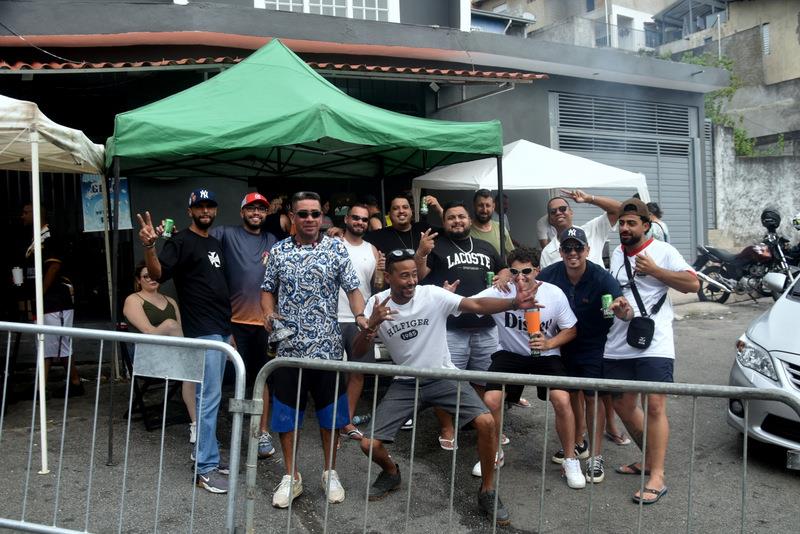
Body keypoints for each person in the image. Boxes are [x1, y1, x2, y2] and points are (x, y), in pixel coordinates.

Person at [352, 248, 542, 527]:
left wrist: (513, 303)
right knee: (369, 444)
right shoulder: (376, 304)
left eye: (414, 274)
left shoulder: (432, 295)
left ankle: (488, 491)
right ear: (388, 276)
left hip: (443, 376)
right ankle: (391, 472)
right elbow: (358, 352)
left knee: (487, 422)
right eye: (404, 276)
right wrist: (372, 325)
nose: (411, 281)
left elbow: (475, 305)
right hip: (406, 382)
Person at [261, 191, 369, 509]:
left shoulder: (336, 248)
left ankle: (329, 472)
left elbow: (353, 288)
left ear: (322, 216)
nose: (310, 219)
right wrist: (268, 313)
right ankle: (291, 476)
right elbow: (266, 290)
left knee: (330, 416)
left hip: (327, 349)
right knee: (286, 415)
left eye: (315, 214)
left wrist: (360, 316)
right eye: (303, 214)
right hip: (289, 350)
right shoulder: (279, 251)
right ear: (292, 217)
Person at [137, 188, 232, 494]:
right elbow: (158, 273)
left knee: (213, 396)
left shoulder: (214, 243)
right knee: (208, 398)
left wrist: (228, 331)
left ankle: (208, 455)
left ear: (215, 210)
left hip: (220, 329)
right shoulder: (180, 241)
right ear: (190, 211)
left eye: (209, 206)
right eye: (199, 206)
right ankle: (205, 468)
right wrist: (150, 247)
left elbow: (217, 287)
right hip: (203, 330)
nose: (205, 211)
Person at [604, 198, 699, 505]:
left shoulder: (663, 251)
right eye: (622, 223)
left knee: (655, 405)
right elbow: (618, 292)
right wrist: (616, 307)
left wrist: (657, 271)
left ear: (646, 226)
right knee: (622, 404)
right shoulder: (616, 254)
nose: (625, 228)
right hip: (619, 341)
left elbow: (693, 284)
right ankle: (649, 458)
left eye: (632, 223)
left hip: (655, 342)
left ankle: (657, 475)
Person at [473, 246, 587, 489]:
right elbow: (470, 304)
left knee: (562, 399)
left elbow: (571, 329)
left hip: (546, 354)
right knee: (492, 399)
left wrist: (549, 343)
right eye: (514, 272)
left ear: (537, 270)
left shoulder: (553, 293)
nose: (520, 277)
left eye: (526, 271)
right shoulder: (502, 290)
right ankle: (494, 452)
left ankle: (570, 459)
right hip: (510, 353)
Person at [537, 227, 633, 484]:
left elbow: (625, 310)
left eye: (578, 247)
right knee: (569, 395)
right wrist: (505, 276)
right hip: (562, 344)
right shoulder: (550, 274)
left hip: (593, 345)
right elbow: (527, 283)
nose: (573, 253)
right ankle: (578, 443)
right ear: (560, 252)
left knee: (593, 396)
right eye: (567, 248)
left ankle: (595, 456)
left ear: (587, 250)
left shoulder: (601, 277)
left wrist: (623, 311)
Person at [415, 200, 505, 449]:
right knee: (445, 382)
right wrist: (421, 253)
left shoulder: (486, 246)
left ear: (469, 220)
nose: (457, 221)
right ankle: (447, 427)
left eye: (461, 217)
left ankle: (487, 426)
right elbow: (419, 276)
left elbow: (505, 269)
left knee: (485, 382)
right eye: (451, 217)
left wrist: (504, 275)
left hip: (486, 329)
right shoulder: (436, 246)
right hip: (450, 329)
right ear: (444, 222)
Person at [210, 192, 278, 460]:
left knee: (263, 379)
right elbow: (196, 238)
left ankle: (262, 432)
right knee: (236, 379)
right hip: (234, 323)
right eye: (251, 208)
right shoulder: (225, 234)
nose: (256, 213)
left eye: (261, 209)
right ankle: (233, 434)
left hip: (264, 323)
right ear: (242, 212)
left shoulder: (272, 240)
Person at [123, 262, 196, 442]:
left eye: (154, 275)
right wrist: (169, 327)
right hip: (148, 355)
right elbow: (148, 332)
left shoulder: (171, 301)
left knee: (192, 371)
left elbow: (180, 333)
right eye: (146, 276)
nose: (151, 279)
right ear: (138, 280)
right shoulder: (133, 300)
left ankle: (197, 424)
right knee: (191, 364)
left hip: (174, 354)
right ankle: (197, 422)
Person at [21, 203, 82, 396]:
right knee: (49, 343)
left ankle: (61, 385)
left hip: (56, 299)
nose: (22, 216)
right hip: (45, 301)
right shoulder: (35, 239)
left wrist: (40, 293)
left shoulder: (50, 238)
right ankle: (65, 383)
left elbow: (54, 267)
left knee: (58, 344)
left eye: (26, 212)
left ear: (37, 214)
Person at [336, 204, 384, 442]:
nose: (360, 222)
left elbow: (377, 286)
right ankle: (330, 421)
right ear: (346, 219)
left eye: (364, 219)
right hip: (333, 316)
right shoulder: (333, 243)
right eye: (355, 218)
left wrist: (381, 271)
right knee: (332, 373)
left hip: (360, 317)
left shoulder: (372, 249)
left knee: (358, 371)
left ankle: (346, 422)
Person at [539, 189, 622, 269]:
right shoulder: (547, 252)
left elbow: (618, 209)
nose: (558, 212)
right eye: (553, 211)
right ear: (550, 219)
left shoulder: (591, 231)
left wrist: (589, 198)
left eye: (562, 209)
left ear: (571, 212)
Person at [364, 193, 431, 254]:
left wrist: (437, 208)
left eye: (405, 207)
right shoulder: (379, 236)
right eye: (395, 208)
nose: (401, 211)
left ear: (411, 211)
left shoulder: (422, 228)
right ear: (389, 214)